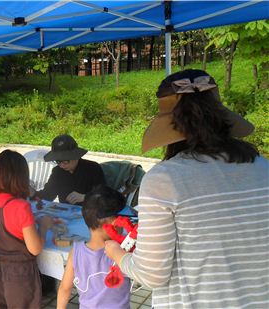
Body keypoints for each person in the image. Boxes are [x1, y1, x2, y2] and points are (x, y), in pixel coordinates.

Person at [104, 69, 269, 308]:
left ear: (169, 126)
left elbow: (152, 275)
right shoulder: (263, 167)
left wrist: (117, 254)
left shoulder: (165, 181)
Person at [0, 150, 53, 308]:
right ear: (21, 177)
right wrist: (43, 226)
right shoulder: (20, 207)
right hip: (20, 275)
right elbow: (35, 249)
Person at [57, 185, 131, 309]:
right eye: (122, 218)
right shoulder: (122, 250)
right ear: (113, 223)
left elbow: (65, 288)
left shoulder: (76, 251)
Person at [32, 134, 105, 205]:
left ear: (76, 156)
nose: (61, 165)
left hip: (90, 212)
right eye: (58, 161)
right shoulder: (57, 171)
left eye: (65, 161)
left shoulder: (93, 168)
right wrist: (31, 192)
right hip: (66, 214)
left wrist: (85, 197)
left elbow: (105, 196)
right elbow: (48, 195)